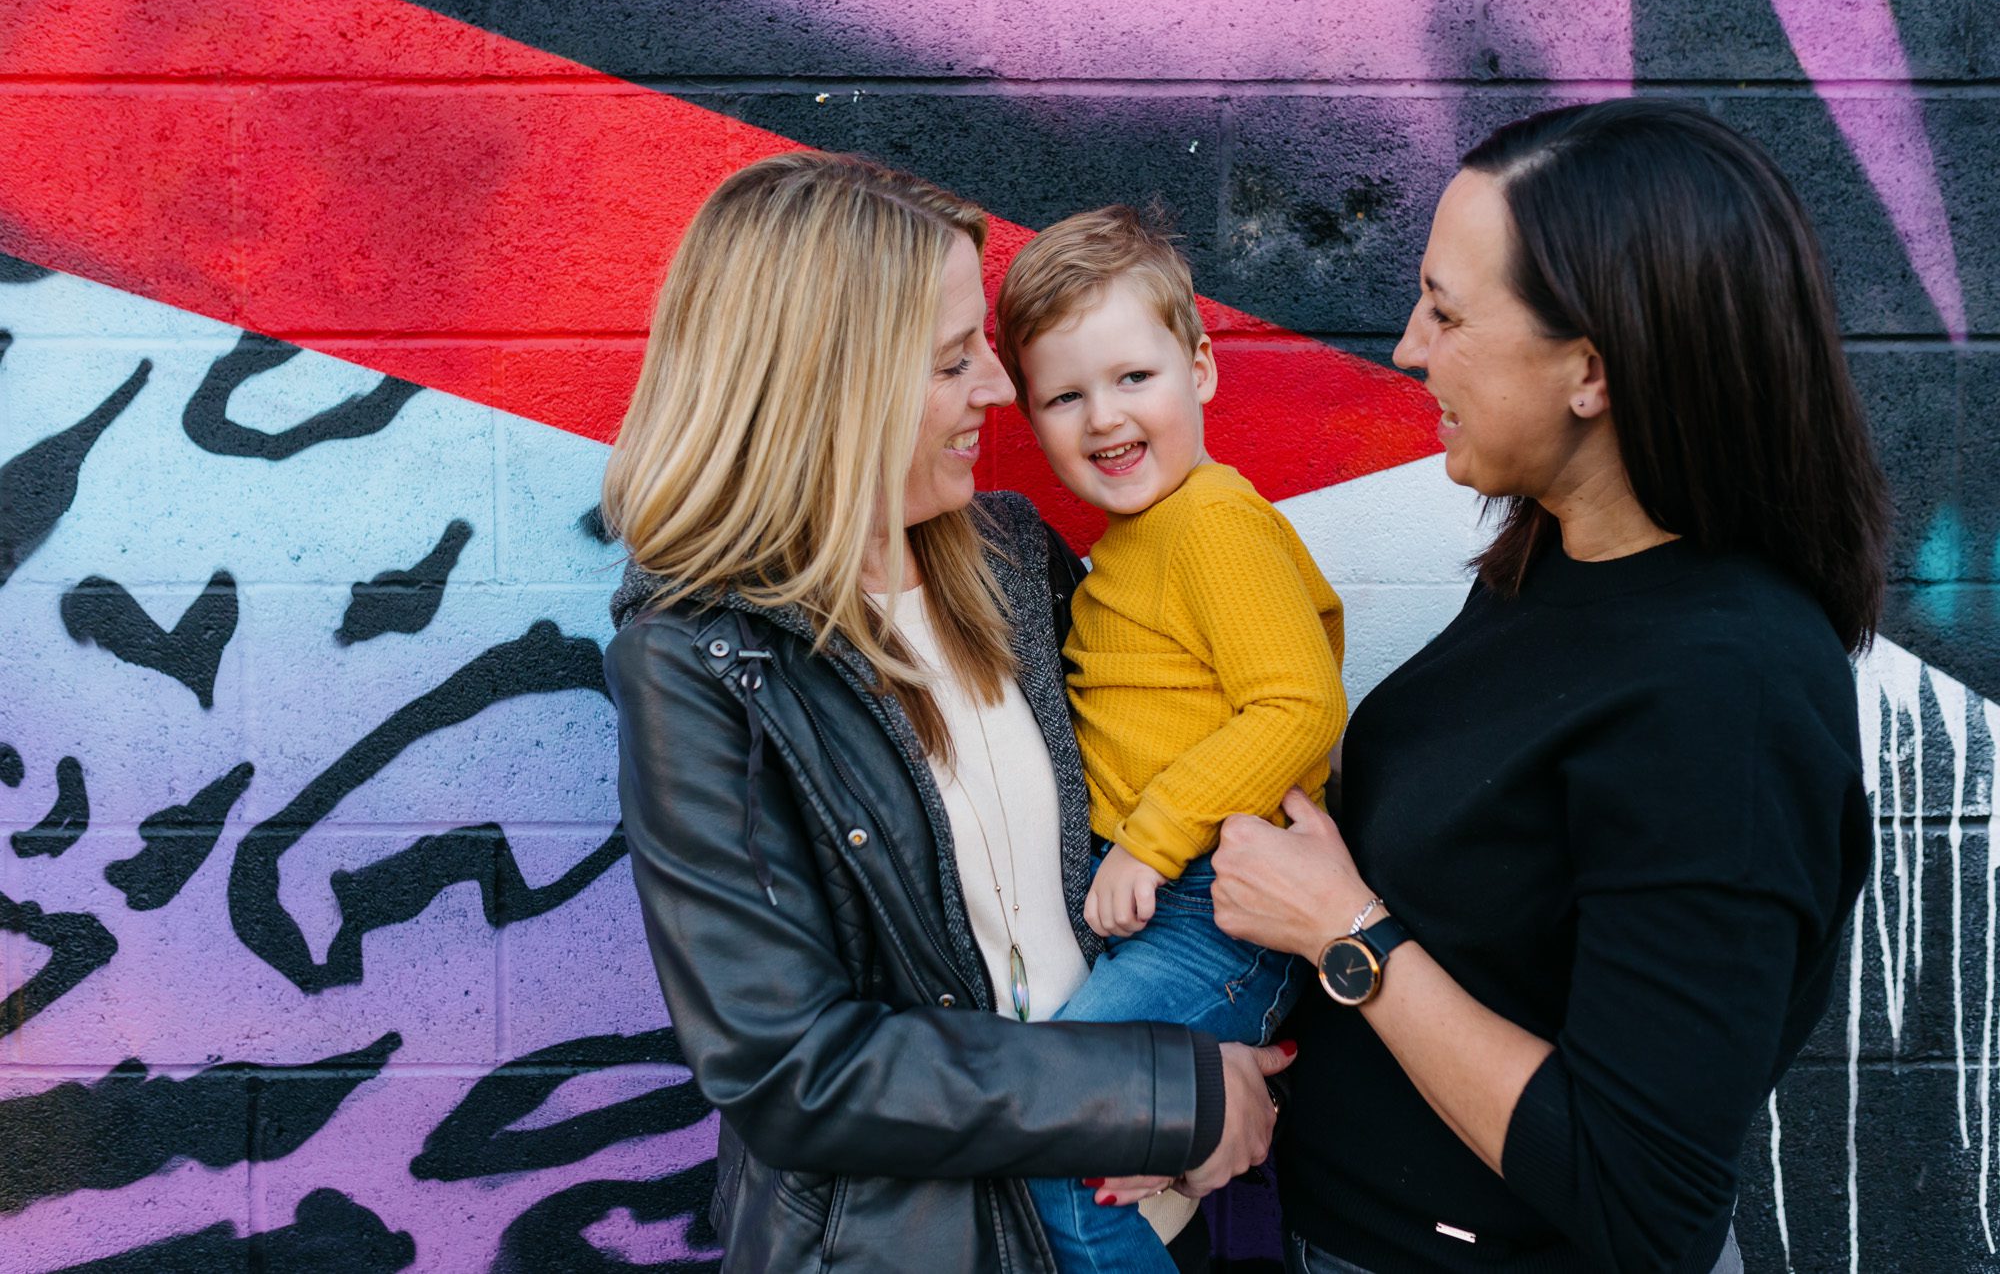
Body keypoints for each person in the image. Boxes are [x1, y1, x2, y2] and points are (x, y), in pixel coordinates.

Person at [1207, 99, 1885, 1273]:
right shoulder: (1556, 558)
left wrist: (1343, 933)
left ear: (1590, 367)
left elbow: (1643, 1198)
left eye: (1448, 312)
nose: (1408, 348)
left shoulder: (1729, 698)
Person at [599, 151, 1292, 1273]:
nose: (1000, 391)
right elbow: (794, 1069)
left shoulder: (1013, 558)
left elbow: (1193, 774)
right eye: (952, 360)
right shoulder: (697, 662)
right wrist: (1166, 1094)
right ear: (834, 381)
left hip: (1151, 1209)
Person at [993, 206, 1347, 1273]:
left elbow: (1296, 706)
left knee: (1048, 1142)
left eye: (1132, 378)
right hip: (1169, 913)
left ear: (1200, 367)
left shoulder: (1208, 521)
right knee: (1087, 1153)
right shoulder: (1133, 543)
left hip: (1212, 910)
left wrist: (1149, 840)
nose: (1103, 416)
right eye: (1064, 395)